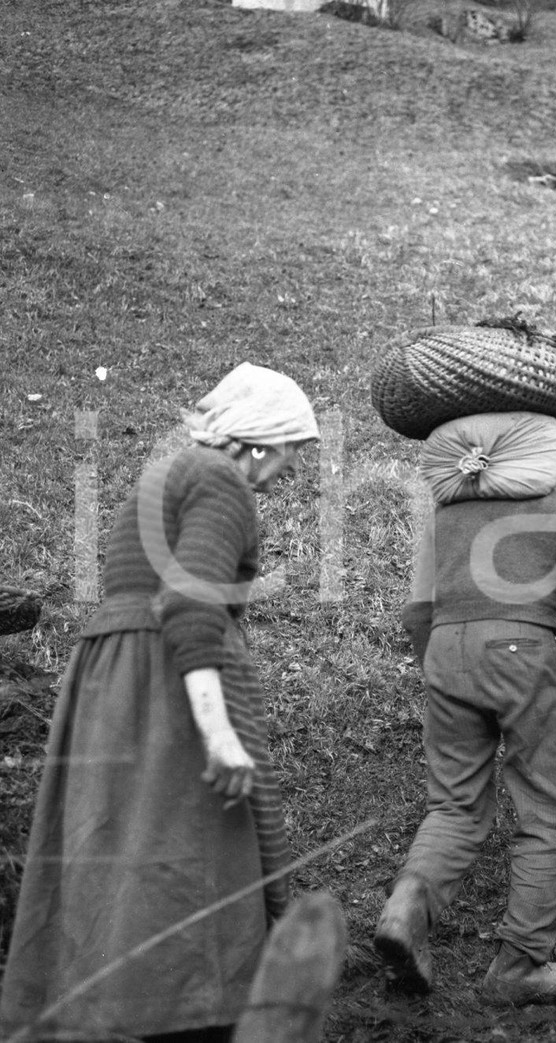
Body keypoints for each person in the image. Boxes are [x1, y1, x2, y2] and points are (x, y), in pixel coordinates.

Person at [0, 363, 319, 1043]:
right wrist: (220, 734)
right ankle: (182, 1014)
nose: (294, 466)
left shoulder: (168, 472)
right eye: (293, 447)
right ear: (258, 441)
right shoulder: (221, 481)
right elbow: (191, 606)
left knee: (120, 853)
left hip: (110, 679)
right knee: (185, 853)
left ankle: (115, 1010)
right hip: (165, 681)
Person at [374, 414, 556, 1008]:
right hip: (522, 653)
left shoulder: (446, 506)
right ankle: (518, 967)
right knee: (547, 811)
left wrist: (441, 666)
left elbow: (417, 608)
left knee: (454, 805)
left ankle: (406, 912)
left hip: (445, 649)